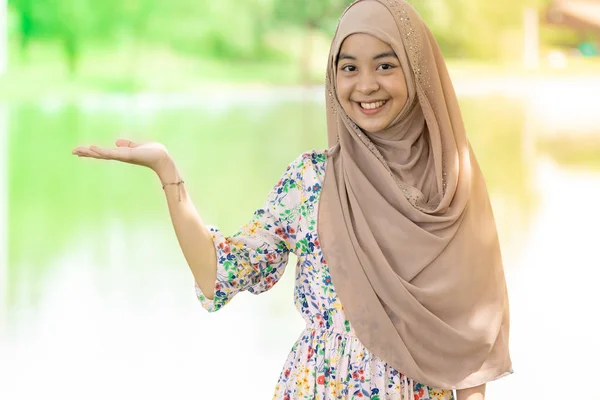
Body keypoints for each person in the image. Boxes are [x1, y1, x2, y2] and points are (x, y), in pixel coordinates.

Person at [72, 0, 512, 399]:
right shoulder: (311, 180)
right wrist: (167, 172)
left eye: (385, 66)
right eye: (349, 68)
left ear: (418, 72)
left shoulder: (450, 187)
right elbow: (220, 273)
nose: (365, 86)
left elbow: (469, 351)